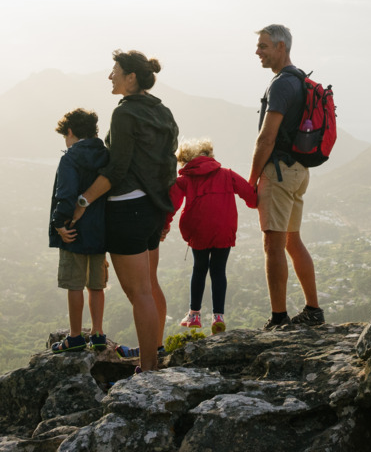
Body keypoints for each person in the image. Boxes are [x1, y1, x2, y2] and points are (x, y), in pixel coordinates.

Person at [72, 50, 178, 373]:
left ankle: (147, 369)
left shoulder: (124, 114)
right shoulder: (162, 112)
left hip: (126, 211)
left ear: (131, 77)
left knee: (139, 293)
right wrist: (164, 210)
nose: (110, 76)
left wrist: (81, 202)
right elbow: (168, 163)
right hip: (151, 209)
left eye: (115, 70)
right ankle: (155, 353)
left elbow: (116, 171)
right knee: (151, 285)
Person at [248, 24, 324, 329]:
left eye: (264, 46)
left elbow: (267, 138)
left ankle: (278, 318)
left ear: (281, 47)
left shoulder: (280, 85)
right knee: (293, 241)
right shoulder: (301, 80)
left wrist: (252, 179)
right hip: (299, 170)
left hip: (278, 173)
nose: (258, 52)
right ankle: (313, 310)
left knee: (274, 245)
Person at [164, 138, 257, 334]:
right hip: (224, 229)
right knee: (218, 271)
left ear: (185, 160)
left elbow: (171, 205)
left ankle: (194, 315)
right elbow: (249, 194)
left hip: (199, 230)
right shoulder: (227, 174)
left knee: (199, 269)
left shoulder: (185, 180)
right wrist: (254, 203)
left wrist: (164, 226)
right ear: (210, 155)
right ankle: (218, 317)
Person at [49, 108, 110, 353]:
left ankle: (74, 337)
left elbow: (65, 195)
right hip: (100, 230)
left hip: (74, 230)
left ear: (71, 131)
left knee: (74, 284)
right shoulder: (106, 155)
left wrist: (59, 224)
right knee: (96, 284)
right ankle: (97, 334)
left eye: (65, 136)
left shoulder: (71, 157)